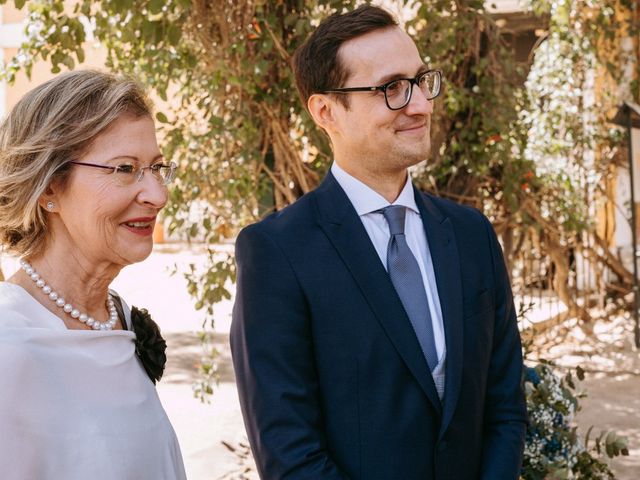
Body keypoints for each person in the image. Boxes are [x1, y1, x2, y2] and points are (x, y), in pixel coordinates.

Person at [230, 5, 527, 480]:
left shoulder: (472, 235)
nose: (420, 105)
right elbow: (290, 453)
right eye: (391, 88)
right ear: (326, 112)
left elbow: (504, 406)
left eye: (420, 80)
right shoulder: (277, 253)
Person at [0, 70, 186, 479]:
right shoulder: (9, 350)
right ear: (49, 188)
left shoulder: (115, 316)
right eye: (124, 169)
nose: (158, 195)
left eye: (157, 167)